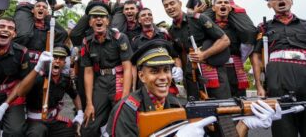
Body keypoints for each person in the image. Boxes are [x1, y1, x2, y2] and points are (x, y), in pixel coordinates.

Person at [107, 39, 280, 137]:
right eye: (154, 71)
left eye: (166, 70)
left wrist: (244, 124)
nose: (163, 77)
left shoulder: (176, 104)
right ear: (141, 76)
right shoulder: (127, 109)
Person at [251, 0, 306, 137]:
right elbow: (255, 56)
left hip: (304, 76)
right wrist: (259, 86)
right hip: (277, 80)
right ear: (269, 4)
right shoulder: (263, 28)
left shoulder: (304, 25)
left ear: (291, 1)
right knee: (283, 130)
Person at [162, 0, 231, 100]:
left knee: (222, 108)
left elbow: (225, 40)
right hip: (192, 77)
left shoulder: (199, 19)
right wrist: (180, 70)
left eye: (172, 3)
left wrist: (204, 54)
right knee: (196, 110)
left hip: (213, 71)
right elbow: (180, 54)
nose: (169, 7)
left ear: (180, 4)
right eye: (166, 6)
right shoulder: (171, 31)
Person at [80, 2, 133, 136]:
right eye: (94, 16)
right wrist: (89, 103)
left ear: (108, 21)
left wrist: (125, 97)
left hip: (119, 79)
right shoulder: (86, 42)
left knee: (121, 120)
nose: (99, 19)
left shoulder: (120, 38)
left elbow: (128, 68)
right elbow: (88, 72)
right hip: (101, 82)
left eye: (102, 16)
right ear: (90, 22)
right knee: (88, 126)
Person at [211, 0, 250, 97]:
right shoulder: (208, 27)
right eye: (219, 2)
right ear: (213, 8)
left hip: (235, 68)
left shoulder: (238, 27)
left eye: (226, 2)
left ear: (230, 8)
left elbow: (246, 46)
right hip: (216, 69)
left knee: (239, 99)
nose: (223, 4)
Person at [18, 0, 68, 69]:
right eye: (38, 6)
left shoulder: (49, 31)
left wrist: (48, 18)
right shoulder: (25, 28)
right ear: (32, 10)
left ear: (47, 12)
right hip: (23, 63)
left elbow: (63, 33)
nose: (41, 8)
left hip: (40, 65)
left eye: (44, 7)